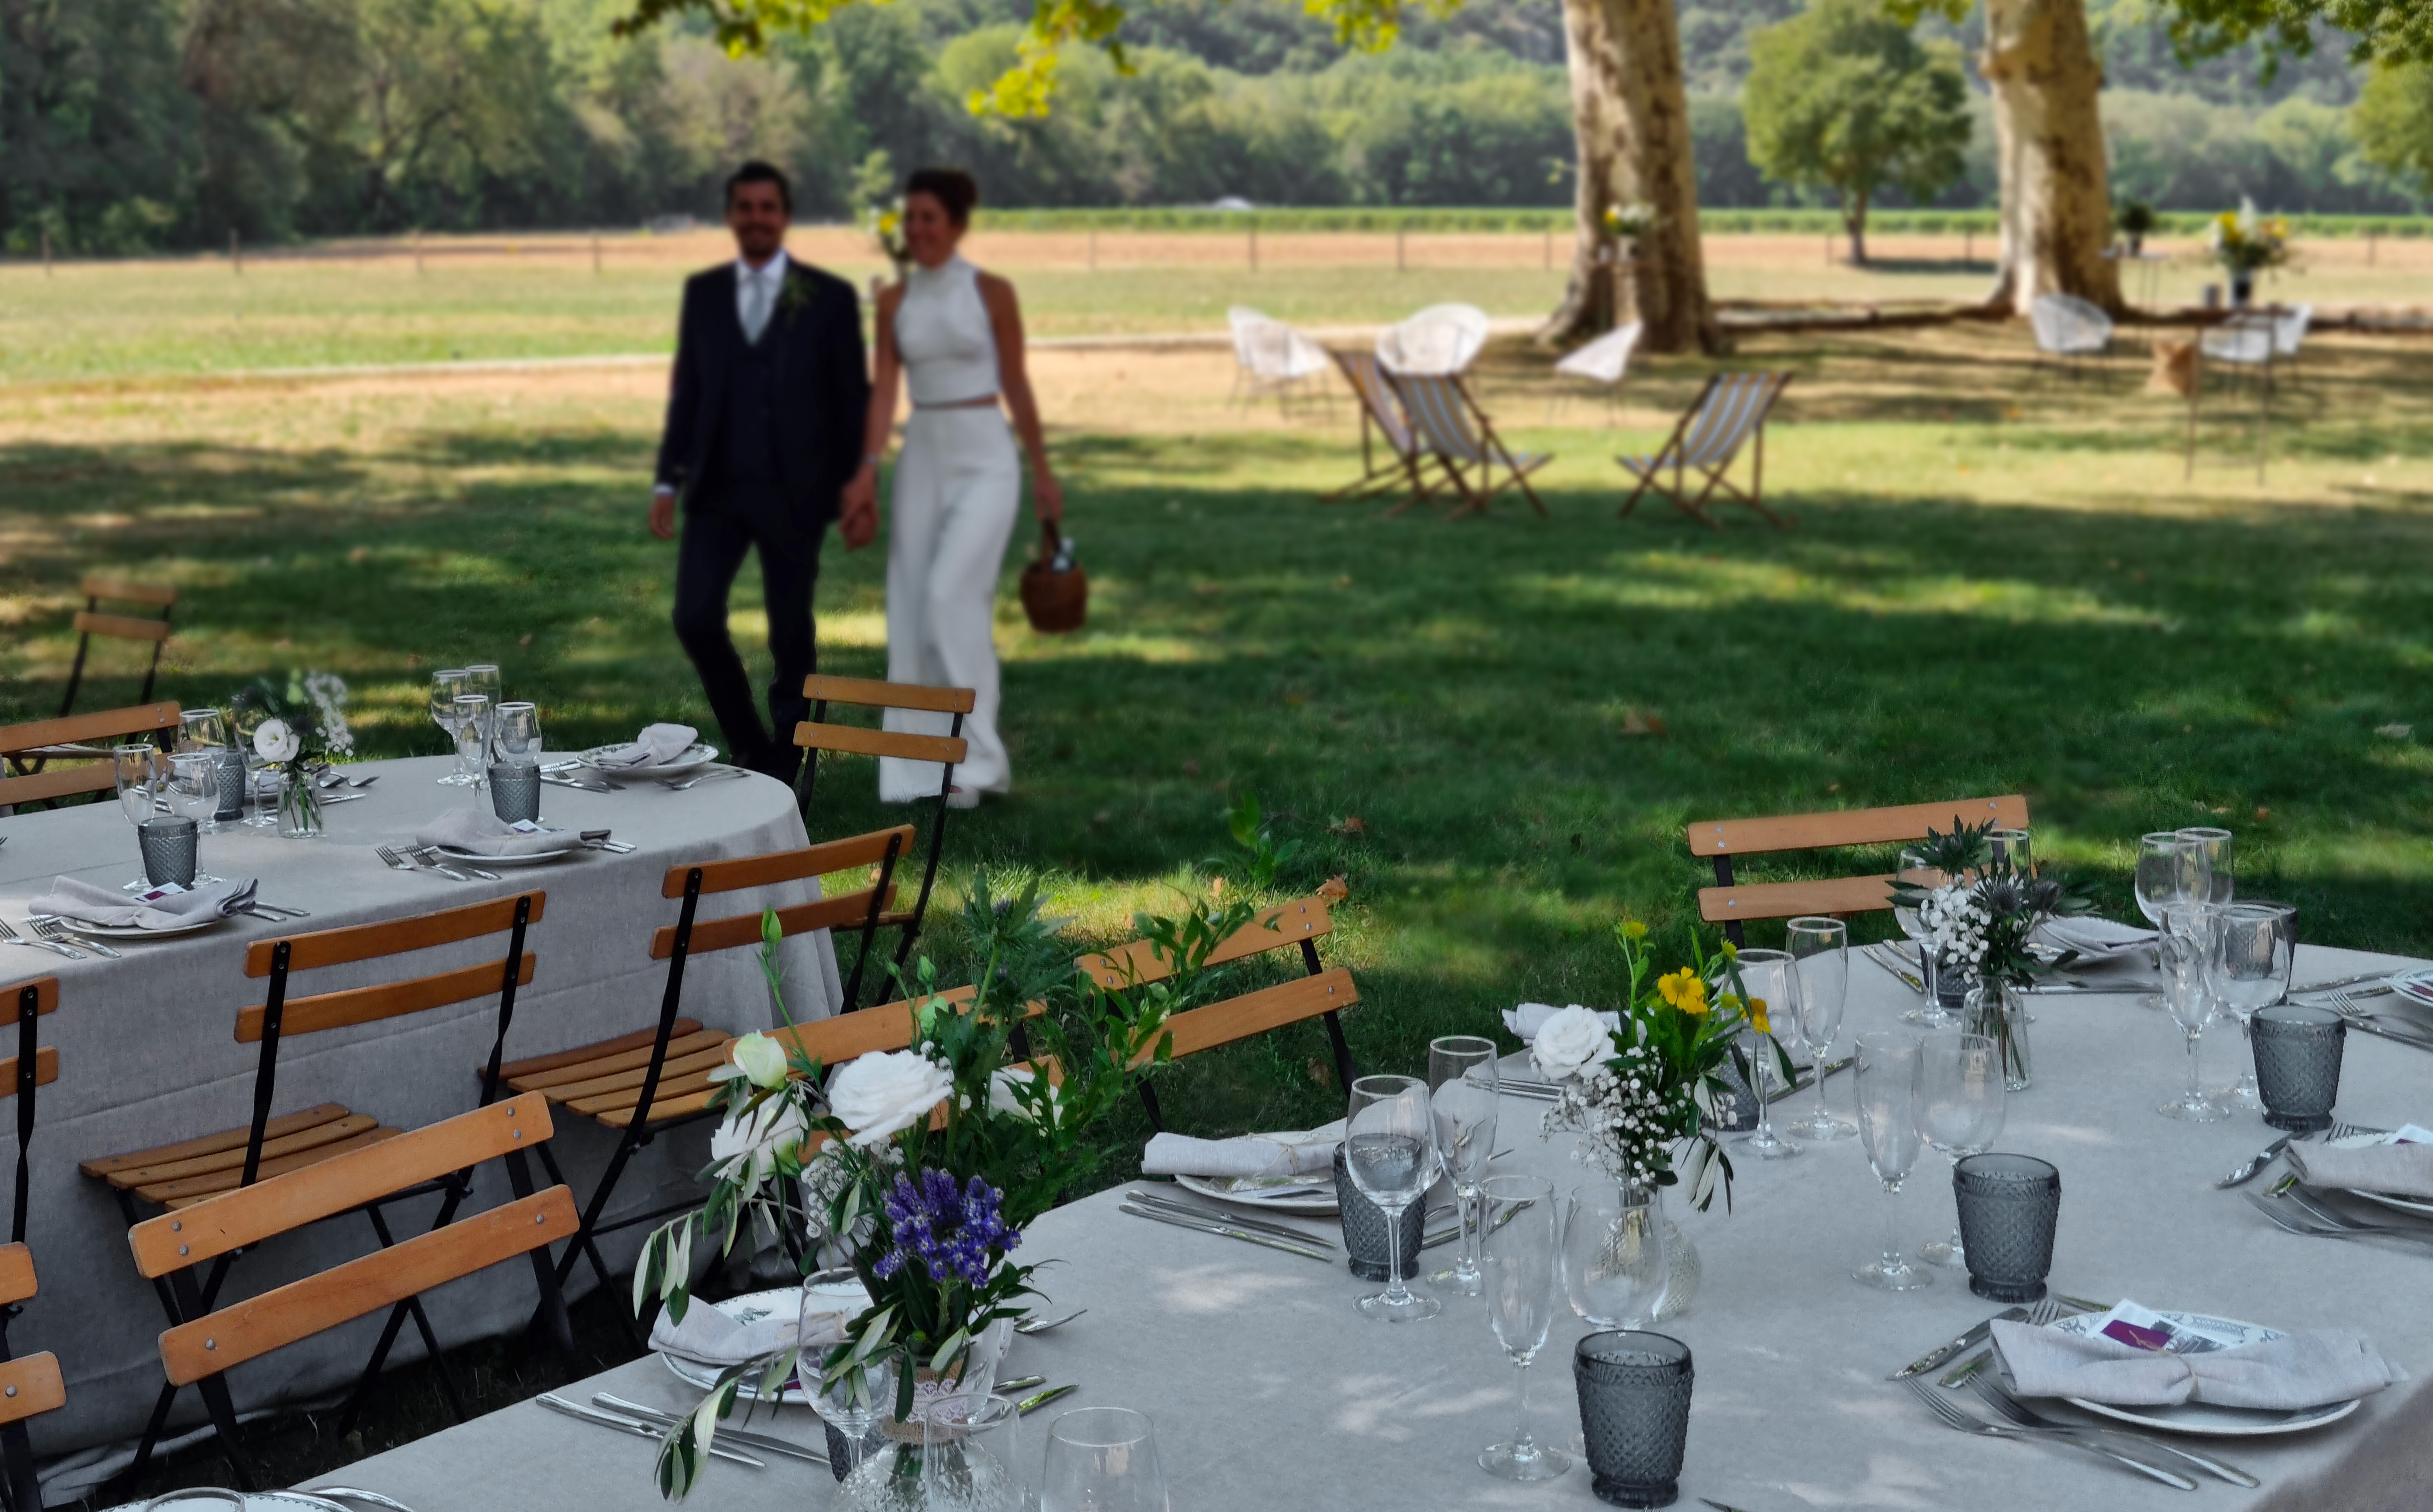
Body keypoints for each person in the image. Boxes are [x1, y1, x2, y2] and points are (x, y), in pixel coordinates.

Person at [842, 167, 1060, 808]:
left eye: (929, 218)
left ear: (958, 225)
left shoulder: (991, 292)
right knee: (910, 611)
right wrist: (865, 472)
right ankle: (917, 769)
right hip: (922, 458)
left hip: (985, 456)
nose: (916, 230)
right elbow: (884, 391)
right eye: (909, 219)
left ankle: (978, 761)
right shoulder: (892, 301)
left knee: (950, 600)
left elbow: (1016, 383)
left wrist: (1044, 472)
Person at [652, 160, 870, 784]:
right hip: (717, 486)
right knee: (693, 615)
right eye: (744, 208)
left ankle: (790, 753)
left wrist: (857, 481)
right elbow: (688, 389)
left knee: (788, 627)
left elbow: (851, 397)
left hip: (795, 488)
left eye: (767, 207)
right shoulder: (704, 292)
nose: (756, 218)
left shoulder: (827, 296)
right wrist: (668, 478)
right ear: (731, 217)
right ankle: (750, 745)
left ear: (784, 216)